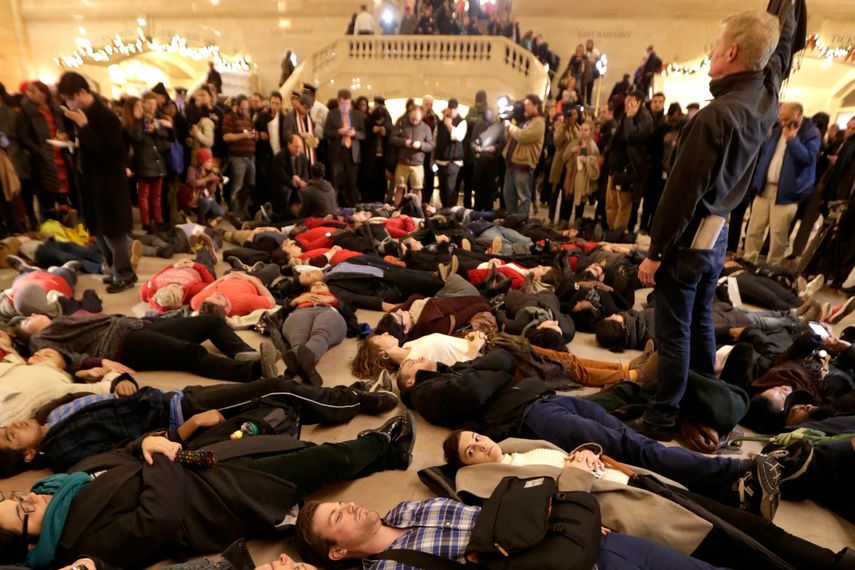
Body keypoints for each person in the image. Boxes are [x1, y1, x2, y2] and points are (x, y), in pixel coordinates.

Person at [634, 6, 799, 441]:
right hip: (719, 230)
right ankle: (702, 400)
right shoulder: (767, 95)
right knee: (701, 322)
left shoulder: (713, 117)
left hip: (689, 239)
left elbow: (679, 198)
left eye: (715, 46)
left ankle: (662, 416)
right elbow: (779, 53)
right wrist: (784, 12)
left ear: (731, 51)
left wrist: (655, 253)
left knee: (674, 333)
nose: (710, 53)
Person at [0, 413, 415, 569]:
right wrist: (160, 456)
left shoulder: (59, 482)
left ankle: (381, 457)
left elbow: (119, 454)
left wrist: (145, 443)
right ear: (30, 542)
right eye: (23, 513)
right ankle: (381, 444)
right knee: (319, 465)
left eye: (13, 497)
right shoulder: (80, 544)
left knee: (287, 442)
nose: (29, 498)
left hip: (199, 461)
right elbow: (157, 516)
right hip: (214, 502)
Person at [443, 433, 848, 569]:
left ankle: (832, 562)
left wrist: (585, 453)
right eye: (471, 451)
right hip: (634, 511)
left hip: (645, 485)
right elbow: (553, 500)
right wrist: (581, 470)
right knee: (742, 548)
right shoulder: (490, 483)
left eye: (476, 438)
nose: (481, 446)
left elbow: (570, 454)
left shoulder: (517, 446)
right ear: (468, 466)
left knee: (757, 531)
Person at [296, 495, 736, 570]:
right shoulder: (389, 568)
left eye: (341, 505)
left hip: (591, 538)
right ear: (337, 553)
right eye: (339, 518)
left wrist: (566, 516)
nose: (350, 506)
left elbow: (504, 512)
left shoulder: (412, 505)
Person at [18, 313, 279, 382]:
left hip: (135, 327)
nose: (32, 314)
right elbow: (67, 358)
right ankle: (253, 370)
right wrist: (97, 363)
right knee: (188, 353)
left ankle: (244, 352)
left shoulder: (62, 317)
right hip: (119, 345)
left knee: (210, 322)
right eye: (26, 319)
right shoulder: (38, 341)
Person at [57, 72, 136, 294]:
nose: (68, 103)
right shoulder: (81, 114)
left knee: (113, 231)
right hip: (91, 183)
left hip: (108, 184)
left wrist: (84, 127)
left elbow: (110, 153)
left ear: (82, 93)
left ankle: (125, 273)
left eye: (70, 98)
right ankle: (113, 270)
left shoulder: (106, 116)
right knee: (99, 230)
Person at [743, 102, 821, 266]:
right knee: (754, 229)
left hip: (787, 192)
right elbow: (765, 156)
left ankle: (773, 268)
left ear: (798, 115)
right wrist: (758, 180)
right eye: (781, 118)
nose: (783, 122)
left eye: (786, 118)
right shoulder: (778, 130)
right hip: (765, 188)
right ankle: (748, 262)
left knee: (778, 234)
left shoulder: (811, 133)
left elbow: (808, 159)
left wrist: (793, 140)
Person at [502, 94, 545, 217]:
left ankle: (521, 223)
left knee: (523, 197)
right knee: (508, 194)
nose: (525, 107)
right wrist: (508, 128)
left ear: (535, 106)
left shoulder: (539, 123)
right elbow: (511, 138)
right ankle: (512, 220)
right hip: (512, 164)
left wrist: (510, 126)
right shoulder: (526, 121)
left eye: (528, 105)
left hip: (523, 166)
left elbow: (523, 136)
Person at [324, 89, 366, 207]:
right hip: (337, 153)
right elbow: (326, 133)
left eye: (347, 104)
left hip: (353, 153)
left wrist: (354, 134)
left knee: (352, 184)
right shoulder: (332, 114)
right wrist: (338, 132)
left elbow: (363, 134)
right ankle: (333, 208)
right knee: (335, 183)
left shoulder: (357, 115)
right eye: (342, 104)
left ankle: (353, 208)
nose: (345, 106)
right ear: (338, 102)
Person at [222, 95, 258, 220]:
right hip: (238, 157)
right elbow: (226, 137)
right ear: (236, 106)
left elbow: (252, 132)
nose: (244, 111)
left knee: (250, 184)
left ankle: (244, 210)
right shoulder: (229, 118)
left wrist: (254, 135)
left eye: (246, 109)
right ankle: (235, 212)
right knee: (237, 185)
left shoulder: (247, 118)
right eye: (242, 109)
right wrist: (243, 136)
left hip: (250, 157)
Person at [390, 105, 432, 206]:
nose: (414, 121)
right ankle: (397, 209)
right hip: (402, 162)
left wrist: (420, 145)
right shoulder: (402, 124)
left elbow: (430, 145)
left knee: (417, 189)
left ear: (421, 117)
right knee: (399, 188)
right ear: (409, 115)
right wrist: (404, 142)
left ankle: (417, 210)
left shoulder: (426, 128)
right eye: (412, 119)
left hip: (417, 164)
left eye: (416, 119)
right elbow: (392, 139)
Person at [434, 99, 468, 207]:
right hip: (440, 161)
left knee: (451, 189)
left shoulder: (462, 122)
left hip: (453, 162)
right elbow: (435, 142)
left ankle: (450, 212)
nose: (452, 111)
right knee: (442, 189)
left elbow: (458, 137)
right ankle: (444, 210)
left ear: (457, 109)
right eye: (450, 108)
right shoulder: (440, 124)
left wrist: (449, 125)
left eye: (454, 108)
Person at [271, 133, 310, 221]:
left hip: (298, 184)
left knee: (308, 190)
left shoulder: (303, 157)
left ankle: (301, 216)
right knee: (285, 191)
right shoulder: (280, 156)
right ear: (289, 144)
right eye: (296, 146)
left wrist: (301, 181)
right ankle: (283, 217)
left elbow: (306, 174)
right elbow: (280, 175)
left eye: (300, 147)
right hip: (285, 183)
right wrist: (293, 181)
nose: (298, 149)